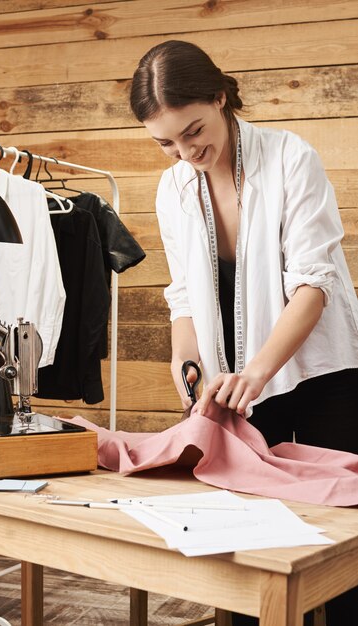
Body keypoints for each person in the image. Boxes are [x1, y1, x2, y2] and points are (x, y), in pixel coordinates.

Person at [130, 40, 358, 626]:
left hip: (321, 374)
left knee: (339, 539)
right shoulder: (173, 187)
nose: (185, 151)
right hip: (238, 385)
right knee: (248, 544)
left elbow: (314, 283)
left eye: (193, 130)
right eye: (166, 143)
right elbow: (182, 295)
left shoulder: (290, 158)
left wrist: (257, 372)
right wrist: (188, 368)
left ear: (221, 96)